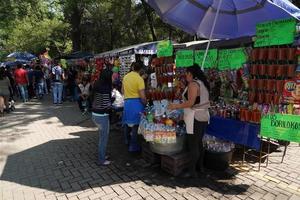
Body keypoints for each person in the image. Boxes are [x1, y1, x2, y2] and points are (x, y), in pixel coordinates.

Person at [168, 64, 210, 178]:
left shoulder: (193, 84)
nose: (185, 76)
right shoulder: (202, 83)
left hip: (195, 117)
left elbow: (191, 103)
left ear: (190, 74)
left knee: (193, 145)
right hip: (202, 116)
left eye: (186, 74)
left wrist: (175, 106)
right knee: (198, 143)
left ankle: (192, 171)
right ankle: (200, 167)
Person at [122, 61, 146, 152]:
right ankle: (133, 146)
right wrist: (145, 103)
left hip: (127, 103)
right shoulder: (139, 79)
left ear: (132, 68)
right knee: (135, 126)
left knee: (127, 124)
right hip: (137, 104)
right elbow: (142, 96)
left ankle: (126, 141)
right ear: (140, 69)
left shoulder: (126, 77)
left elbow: (123, 91)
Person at [91, 68, 113, 166]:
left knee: (101, 137)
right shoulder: (105, 88)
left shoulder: (97, 84)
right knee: (103, 138)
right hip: (102, 115)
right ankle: (101, 160)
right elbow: (106, 105)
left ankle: (102, 155)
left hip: (95, 114)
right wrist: (112, 102)